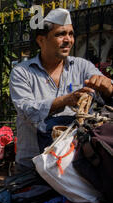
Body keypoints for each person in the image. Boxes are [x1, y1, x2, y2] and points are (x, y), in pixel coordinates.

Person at [9, 8, 113, 173]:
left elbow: (107, 89)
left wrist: (108, 87)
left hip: (74, 164)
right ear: (41, 41)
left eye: (71, 34)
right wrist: (66, 100)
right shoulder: (22, 72)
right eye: (60, 34)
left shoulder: (82, 66)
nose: (68, 40)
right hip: (33, 165)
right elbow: (27, 110)